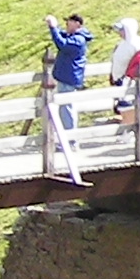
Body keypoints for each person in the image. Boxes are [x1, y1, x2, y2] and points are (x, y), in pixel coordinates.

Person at [42, 12, 90, 184]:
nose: (67, 26)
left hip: (69, 78)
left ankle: (70, 141)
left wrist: (53, 27)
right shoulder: (75, 37)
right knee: (66, 108)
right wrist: (55, 28)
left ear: (77, 24)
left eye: (69, 23)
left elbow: (61, 44)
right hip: (66, 77)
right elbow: (62, 37)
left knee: (67, 109)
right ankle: (68, 140)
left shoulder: (78, 40)